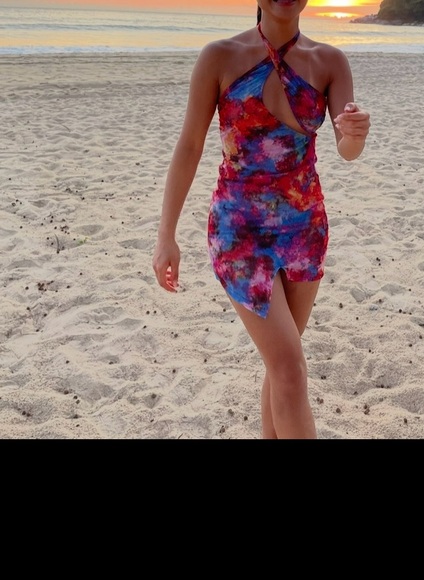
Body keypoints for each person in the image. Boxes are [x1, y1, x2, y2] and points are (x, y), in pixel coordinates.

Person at [152, 0, 371, 439]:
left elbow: (346, 149)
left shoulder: (330, 61)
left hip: (305, 230)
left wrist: (354, 134)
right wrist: (166, 235)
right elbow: (190, 145)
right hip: (239, 233)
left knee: (281, 365)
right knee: (289, 367)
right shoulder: (219, 57)